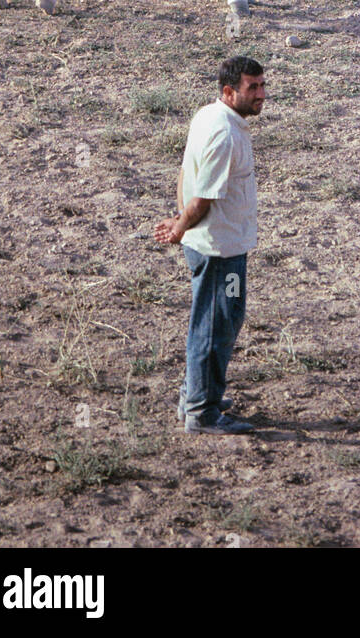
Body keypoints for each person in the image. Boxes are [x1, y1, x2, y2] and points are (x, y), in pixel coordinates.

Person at [154, 56, 266, 435]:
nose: (261, 95)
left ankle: (197, 393)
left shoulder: (209, 116)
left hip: (220, 245)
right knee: (216, 324)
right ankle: (202, 412)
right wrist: (181, 226)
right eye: (252, 88)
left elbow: (185, 170)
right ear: (228, 91)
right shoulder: (225, 133)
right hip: (220, 251)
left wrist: (177, 219)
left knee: (219, 319)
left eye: (262, 85)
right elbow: (203, 198)